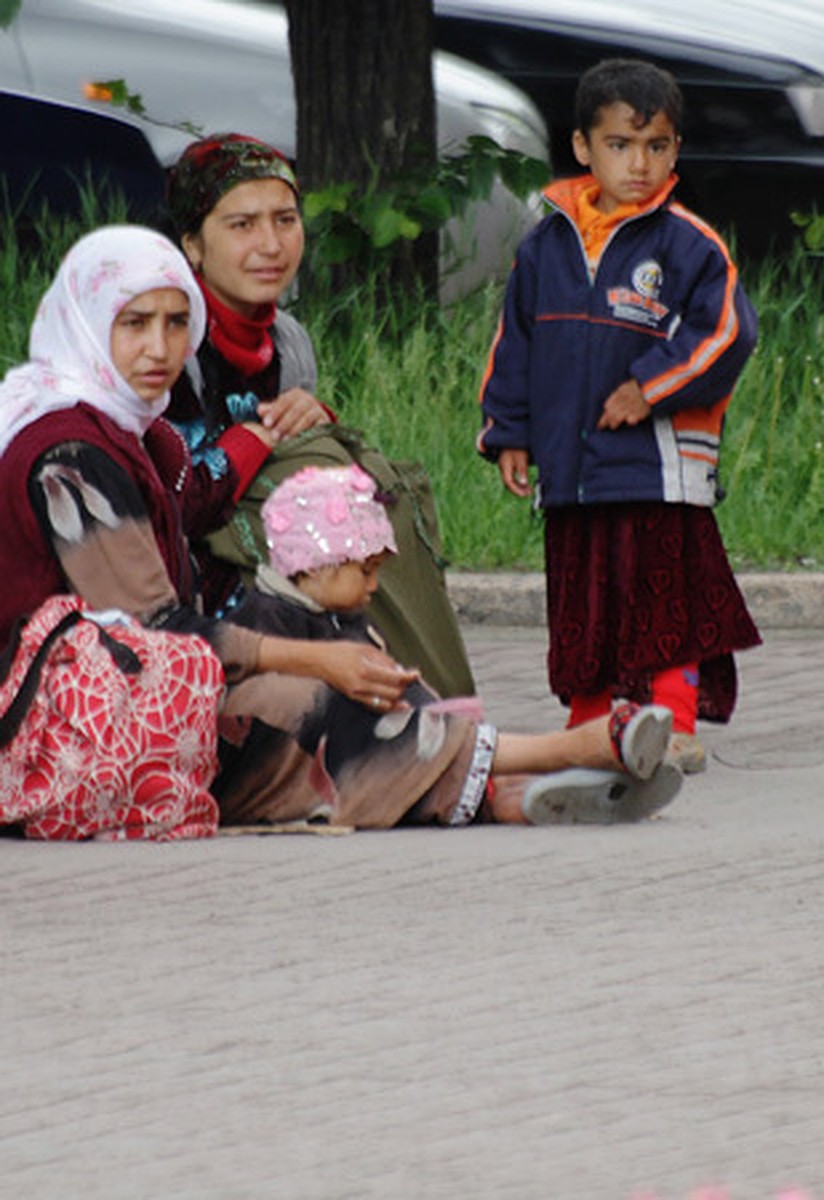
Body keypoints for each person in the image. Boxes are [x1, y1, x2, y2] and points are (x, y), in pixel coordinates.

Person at [0, 224, 684, 832]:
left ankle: (496, 794)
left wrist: (314, 636)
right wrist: (309, 656)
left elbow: (194, 516)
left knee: (342, 658)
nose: (159, 347)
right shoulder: (69, 455)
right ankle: (570, 750)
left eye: (177, 323)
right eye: (133, 323)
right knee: (306, 701)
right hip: (58, 722)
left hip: (143, 680)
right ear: (87, 322)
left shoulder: (131, 429)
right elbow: (153, 627)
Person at [476, 57, 762, 775]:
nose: (639, 164)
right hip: (570, 465)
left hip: (658, 466)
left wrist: (650, 386)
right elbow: (515, 345)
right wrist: (508, 433)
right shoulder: (544, 246)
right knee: (585, 597)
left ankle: (676, 721)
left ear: (675, 151)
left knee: (661, 595)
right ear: (582, 148)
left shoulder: (689, 245)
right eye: (620, 145)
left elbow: (727, 332)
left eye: (657, 146)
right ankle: (592, 726)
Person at [162, 132, 475, 700]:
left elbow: (301, 460)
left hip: (279, 557)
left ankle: (445, 719)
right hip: (195, 586)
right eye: (242, 225)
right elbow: (172, 502)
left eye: (285, 219)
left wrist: (314, 414)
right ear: (192, 245)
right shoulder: (171, 340)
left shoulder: (288, 339)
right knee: (340, 520)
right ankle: (431, 726)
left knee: (376, 498)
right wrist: (255, 438)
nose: (271, 244)